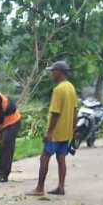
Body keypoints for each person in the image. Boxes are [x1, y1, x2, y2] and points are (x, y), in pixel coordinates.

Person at [29, 60, 77, 196]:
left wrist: (49, 132)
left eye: (53, 71)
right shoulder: (70, 87)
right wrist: (73, 128)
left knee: (44, 157)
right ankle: (61, 187)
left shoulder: (58, 90)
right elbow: (75, 110)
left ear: (59, 73)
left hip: (56, 132)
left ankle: (39, 188)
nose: (51, 73)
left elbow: (55, 112)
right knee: (61, 159)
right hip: (66, 131)